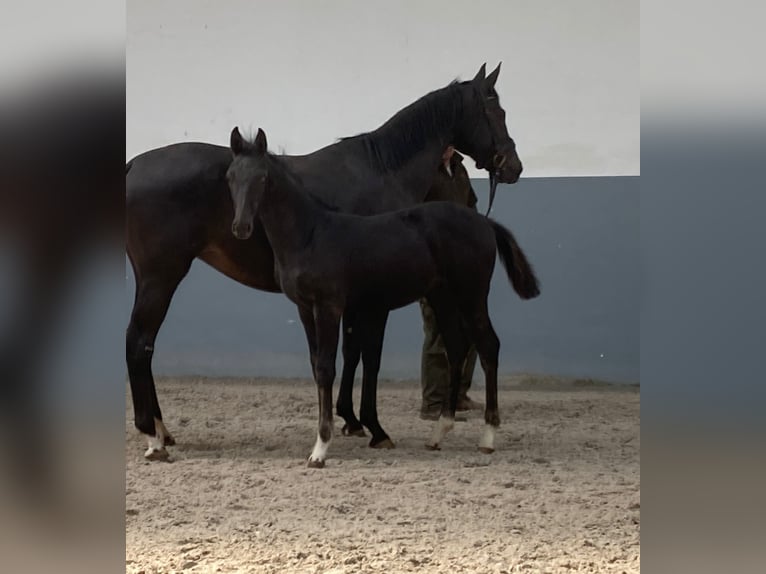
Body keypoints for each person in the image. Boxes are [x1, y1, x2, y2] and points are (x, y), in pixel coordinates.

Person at [419, 146, 484, 420]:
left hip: (462, 261)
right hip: (433, 263)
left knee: (469, 331)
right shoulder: (422, 174)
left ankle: (458, 395)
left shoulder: (460, 170)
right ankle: (433, 402)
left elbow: (471, 207)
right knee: (438, 332)